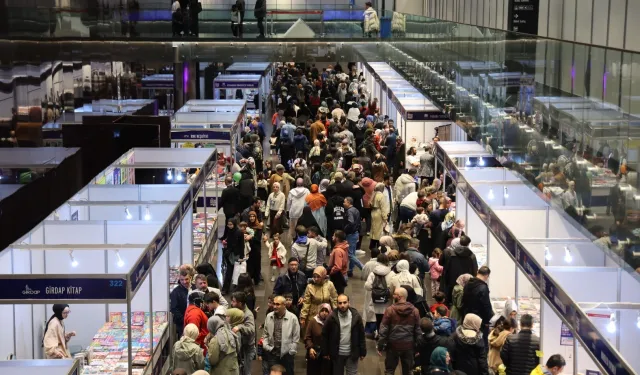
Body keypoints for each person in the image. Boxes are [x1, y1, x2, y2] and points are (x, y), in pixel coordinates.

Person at [378, 287, 421, 375]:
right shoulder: (415, 311)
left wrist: (380, 345)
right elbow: (418, 330)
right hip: (408, 346)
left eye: (394, 294)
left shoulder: (390, 310)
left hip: (393, 345)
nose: (393, 295)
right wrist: (418, 347)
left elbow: (383, 329)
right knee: (408, 371)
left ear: (399, 296)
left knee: (389, 370)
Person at [322, 295, 367, 375]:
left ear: (349, 303)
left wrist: (363, 351)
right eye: (340, 303)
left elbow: (361, 335)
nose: (342, 305)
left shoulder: (356, 316)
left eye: (345, 302)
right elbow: (325, 335)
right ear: (337, 304)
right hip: (337, 354)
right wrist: (325, 352)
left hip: (352, 353)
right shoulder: (331, 317)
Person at [262, 296, 300, 375]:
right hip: (273, 353)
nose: (274, 306)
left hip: (287, 355)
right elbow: (265, 334)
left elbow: (296, 338)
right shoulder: (269, 316)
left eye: (277, 304)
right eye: (274, 304)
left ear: (284, 305)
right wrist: (267, 347)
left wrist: (291, 351)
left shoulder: (293, 318)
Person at [461, 266, 493, 348]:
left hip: (467, 318)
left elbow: (463, 301)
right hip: (479, 321)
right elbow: (486, 306)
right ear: (486, 276)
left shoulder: (468, 284)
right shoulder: (483, 288)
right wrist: (487, 321)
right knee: (481, 343)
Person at [441, 236, 478, 304]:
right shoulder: (472, 256)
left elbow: (447, 269)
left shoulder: (452, 254)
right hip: (466, 282)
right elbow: (475, 270)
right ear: (468, 244)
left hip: (453, 281)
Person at [364, 253, 394, 336]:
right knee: (385, 318)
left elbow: (367, 286)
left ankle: (375, 331)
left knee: (376, 317)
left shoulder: (373, 273)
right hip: (386, 301)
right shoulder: (391, 273)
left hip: (375, 300)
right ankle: (383, 334)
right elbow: (393, 287)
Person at [231, 292, 256, 375]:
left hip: (247, 347)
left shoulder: (248, 314)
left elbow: (251, 329)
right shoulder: (235, 310)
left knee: (246, 371)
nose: (231, 303)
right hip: (239, 346)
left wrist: (240, 327)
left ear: (240, 303)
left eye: (234, 301)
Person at [304, 303, 332, 375]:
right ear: (319, 311)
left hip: (327, 354)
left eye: (326, 311)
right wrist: (310, 348)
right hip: (314, 352)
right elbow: (307, 337)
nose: (324, 313)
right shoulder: (313, 321)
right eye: (322, 311)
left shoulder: (331, 322)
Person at [221, 218, 245, 294]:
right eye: (228, 224)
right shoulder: (230, 231)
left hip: (235, 254)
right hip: (229, 254)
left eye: (231, 224)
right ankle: (226, 288)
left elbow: (241, 245)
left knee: (235, 272)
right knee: (229, 272)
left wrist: (241, 256)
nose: (229, 226)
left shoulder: (239, 232)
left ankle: (230, 288)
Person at [343, 196, 364, 276]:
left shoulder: (349, 212)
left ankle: (363, 267)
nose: (343, 203)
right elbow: (359, 222)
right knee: (353, 253)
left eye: (345, 202)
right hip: (355, 233)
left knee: (350, 254)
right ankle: (350, 270)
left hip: (350, 234)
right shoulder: (356, 210)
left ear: (348, 202)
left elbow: (350, 222)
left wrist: (345, 229)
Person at [171, 270, 191, 336]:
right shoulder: (175, 292)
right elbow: (174, 309)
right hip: (182, 323)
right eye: (182, 280)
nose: (184, 282)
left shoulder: (194, 287)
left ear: (190, 278)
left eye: (186, 279)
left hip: (195, 319)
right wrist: (184, 320)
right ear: (179, 279)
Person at [328, 230, 349, 294]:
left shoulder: (338, 251)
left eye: (333, 235)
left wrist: (330, 272)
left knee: (336, 296)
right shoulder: (343, 247)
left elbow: (338, 266)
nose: (332, 237)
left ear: (337, 238)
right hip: (342, 275)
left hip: (338, 277)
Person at [370, 182, 390, 250]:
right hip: (379, 213)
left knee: (373, 229)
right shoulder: (381, 195)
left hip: (373, 212)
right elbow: (383, 208)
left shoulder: (374, 194)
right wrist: (385, 217)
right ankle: (378, 244)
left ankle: (372, 244)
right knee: (379, 230)